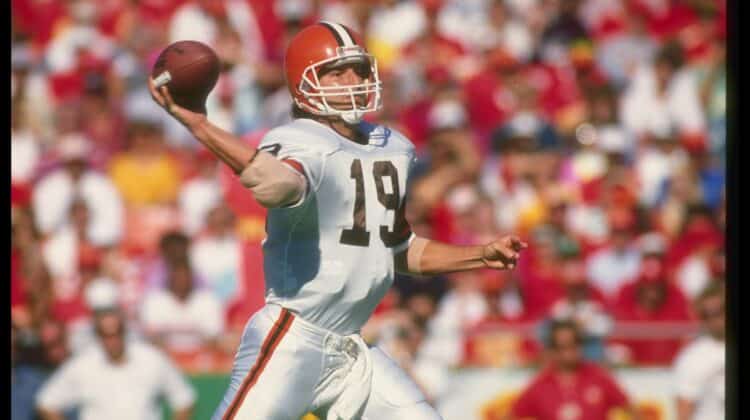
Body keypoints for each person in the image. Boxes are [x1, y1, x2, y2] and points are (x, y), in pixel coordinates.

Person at [149, 20, 528, 420]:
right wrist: (200, 124)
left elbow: (398, 250)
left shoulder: (392, 146)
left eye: (359, 69)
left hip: (351, 350)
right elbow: (278, 187)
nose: (354, 79)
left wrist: (480, 255)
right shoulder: (301, 138)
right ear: (305, 84)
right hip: (294, 338)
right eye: (336, 72)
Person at [36, 307, 196, 420]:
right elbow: (47, 403)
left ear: (124, 332)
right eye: (106, 335)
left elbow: (184, 399)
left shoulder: (151, 359)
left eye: (117, 332)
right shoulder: (82, 366)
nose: (113, 340)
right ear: (98, 336)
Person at [505, 320, 640, 420]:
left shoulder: (599, 377)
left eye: (574, 343)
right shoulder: (541, 384)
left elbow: (632, 411)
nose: (570, 351)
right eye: (562, 346)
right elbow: (512, 415)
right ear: (552, 350)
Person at [672, 282, 725, 420]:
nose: (718, 318)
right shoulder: (693, 357)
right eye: (708, 314)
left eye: (722, 309)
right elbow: (684, 410)